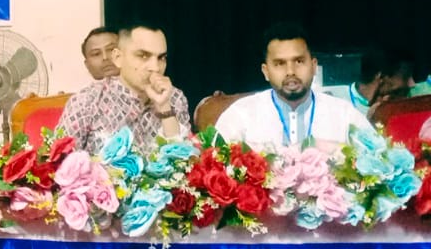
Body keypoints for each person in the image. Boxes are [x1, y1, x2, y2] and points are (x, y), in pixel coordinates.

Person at [214, 23, 369, 150]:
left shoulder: (344, 114)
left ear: (314, 66)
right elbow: (214, 165)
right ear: (266, 72)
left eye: (299, 61)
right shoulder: (241, 115)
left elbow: (378, 162)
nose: (290, 71)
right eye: (280, 63)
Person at [55, 23, 190, 153]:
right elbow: (58, 162)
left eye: (161, 58)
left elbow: (184, 162)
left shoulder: (175, 98)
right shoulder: (86, 101)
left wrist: (164, 107)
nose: (155, 67)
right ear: (118, 58)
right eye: (143, 56)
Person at [348, 47, 414, 114]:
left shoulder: (406, 103)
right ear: (381, 75)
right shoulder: (342, 103)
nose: (412, 84)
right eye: (406, 76)